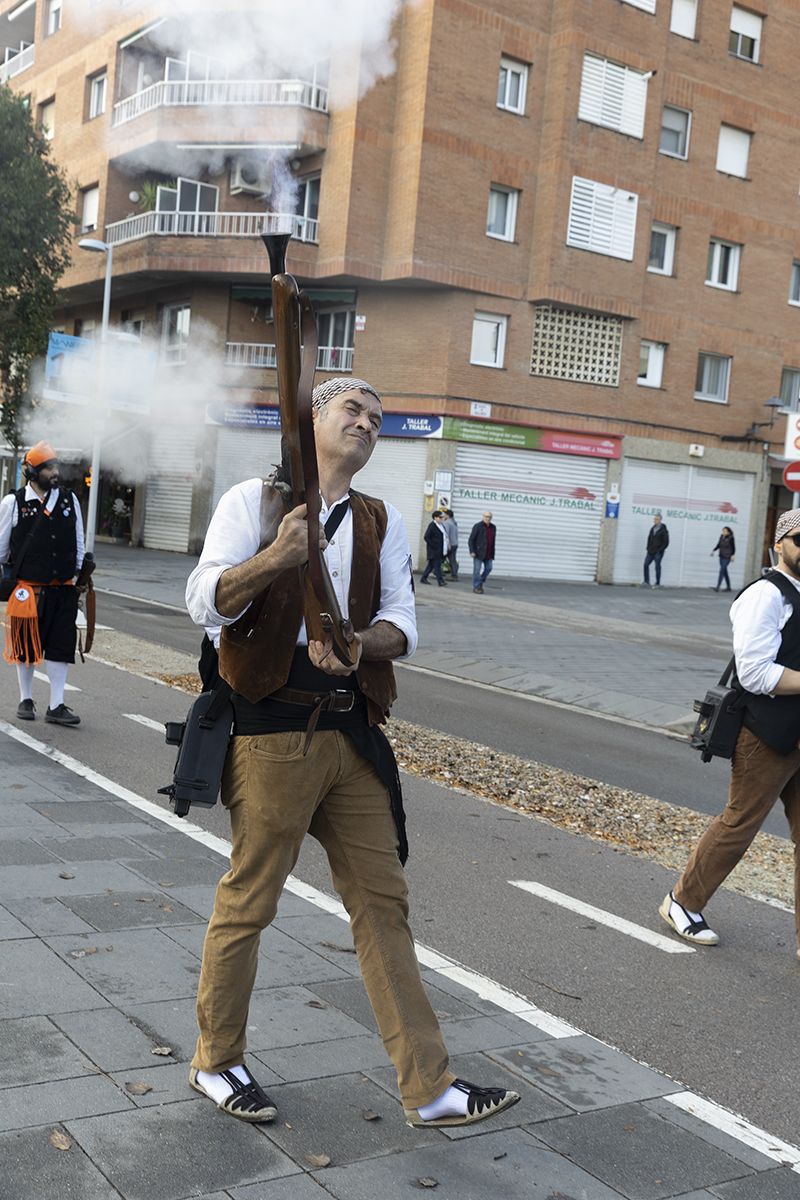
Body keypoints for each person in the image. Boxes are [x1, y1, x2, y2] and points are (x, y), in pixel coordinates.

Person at [185, 376, 519, 1128]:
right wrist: (277, 557)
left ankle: (428, 1087)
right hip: (270, 731)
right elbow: (205, 601)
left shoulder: (379, 521)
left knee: (382, 904)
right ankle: (216, 1060)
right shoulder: (253, 502)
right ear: (312, 422)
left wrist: (358, 644)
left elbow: (403, 623)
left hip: (352, 733)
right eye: (352, 410)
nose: (368, 423)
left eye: (376, 416)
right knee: (250, 901)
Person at [660, 509, 800, 951]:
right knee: (740, 822)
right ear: (779, 544)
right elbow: (755, 673)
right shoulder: (765, 595)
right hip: (765, 735)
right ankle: (682, 902)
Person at [0, 441, 84, 725]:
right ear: (32, 472)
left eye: (55, 465)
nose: (54, 472)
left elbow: (80, 543)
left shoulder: (69, 499)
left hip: (63, 588)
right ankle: (25, 698)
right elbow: (1, 550)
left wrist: (77, 575)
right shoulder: (13, 503)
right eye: (48, 467)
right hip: (28, 590)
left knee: (61, 647)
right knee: (25, 646)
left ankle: (56, 705)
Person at [469, 511, 496, 594]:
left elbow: (493, 540)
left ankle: (480, 581)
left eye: (489, 517)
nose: (487, 518)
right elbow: (471, 540)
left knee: (489, 568)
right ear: (483, 517)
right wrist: (472, 551)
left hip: (489, 553)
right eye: (486, 516)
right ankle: (476, 587)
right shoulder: (477, 526)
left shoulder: (493, 527)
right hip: (478, 552)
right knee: (477, 570)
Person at [420, 510, 448, 586]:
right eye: (440, 517)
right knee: (437, 566)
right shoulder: (432, 525)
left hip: (440, 550)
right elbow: (426, 537)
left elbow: (444, 537)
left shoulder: (441, 526)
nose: (442, 519)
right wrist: (434, 545)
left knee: (431, 566)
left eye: (442, 517)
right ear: (435, 517)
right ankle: (440, 581)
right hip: (434, 550)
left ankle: (423, 578)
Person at [643, 513, 669, 589]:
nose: (655, 520)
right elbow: (649, 538)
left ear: (660, 520)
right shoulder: (652, 528)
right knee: (646, 564)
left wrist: (660, 550)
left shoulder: (664, 530)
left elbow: (666, 542)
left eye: (656, 519)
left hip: (658, 552)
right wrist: (648, 548)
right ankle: (646, 581)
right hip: (650, 551)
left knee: (657, 566)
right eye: (654, 519)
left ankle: (657, 583)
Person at [710, 526, 735, 593]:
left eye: (725, 531)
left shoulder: (731, 538)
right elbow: (718, 545)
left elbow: (733, 547)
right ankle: (728, 587)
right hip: (721, 556)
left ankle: (718, 586)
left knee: (722, 570)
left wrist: (732, 555)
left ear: (728, 532)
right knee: (724, 571)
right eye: (723, 531)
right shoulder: (721, 537)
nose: (723, 532)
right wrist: (714, 550)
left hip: (727, 557)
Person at [442, 508, 459, 581]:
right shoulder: (454, 522)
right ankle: (454, 574)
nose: (443, 516)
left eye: (445, 514)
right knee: (452, 559)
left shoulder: (447, 523)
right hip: (455, 544)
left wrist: (447, 544)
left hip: (450, 544)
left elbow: (446, 534)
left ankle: (437, 572)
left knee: (440, 558)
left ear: (448, 515)